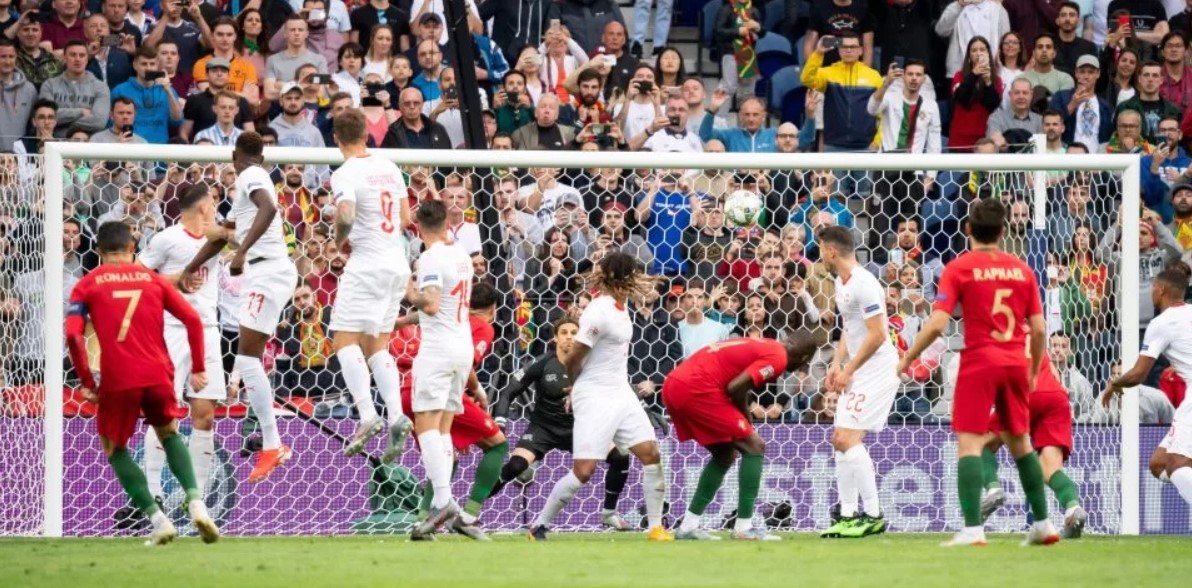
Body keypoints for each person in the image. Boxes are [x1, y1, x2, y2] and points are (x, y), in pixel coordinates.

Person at [899, 198, 1059, 547]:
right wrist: (1032, 369)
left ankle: (973, 530)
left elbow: (939, 322)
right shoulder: (1022, 269)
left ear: (968, 229)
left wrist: (908, 356)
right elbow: (1041, 328)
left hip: (980, 361)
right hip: (1016, 362)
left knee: (970, 444)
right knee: (1021, 443)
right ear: (1003, 231)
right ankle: (1044, 524)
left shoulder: (960, 267)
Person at [65, 221, 219, 545]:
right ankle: (196, 502)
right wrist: (199, 367)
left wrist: (87, 381)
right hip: (158, 373)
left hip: (119, 377)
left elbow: (73, 335)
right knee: (168, 433)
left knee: (114, 447)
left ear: (98, 252)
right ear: (132, 248)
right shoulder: (153, 280)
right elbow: (192, 319)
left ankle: (158, 518)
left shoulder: (87, 284)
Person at [527, 251, 672, 542]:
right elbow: (574, 355)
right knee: (584, 470)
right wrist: (575, 388)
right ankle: (540, 525)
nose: (637, 280)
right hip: (594, 395)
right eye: (633, 275)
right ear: (624, 278)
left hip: (620, 392)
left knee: (651, 454)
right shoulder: (599, 310)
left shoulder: (621, 307)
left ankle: (656, 528)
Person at [180, 131, 298, 483]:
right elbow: (221, 237)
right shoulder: (243, 197)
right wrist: (192, 267)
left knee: (246, 358)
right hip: (265, 271)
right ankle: (271, 442)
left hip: (268, 269)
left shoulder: (252, 175)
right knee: (248, 358)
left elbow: (270, 207)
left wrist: (243, 251)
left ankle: (273, 443)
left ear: (236, 155)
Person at [326, 109, 415, 461]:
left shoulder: (345, 173)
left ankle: (366, 414)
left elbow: (346, 214)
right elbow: (406, 218)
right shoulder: (389, 167)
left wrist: (339, 239)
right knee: (378, 345)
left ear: (336, 139)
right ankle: (396, 414)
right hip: (397, 264)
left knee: (343, 340)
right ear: (367, 133)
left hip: (367, 263)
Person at [667, 333, 818, 541]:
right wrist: (746, 418)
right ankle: (743, 528)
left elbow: (739, 384)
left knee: (724, 455)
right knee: (755, 447)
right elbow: (736, 388)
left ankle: (688, 527)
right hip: (697, 388)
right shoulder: (778, 357)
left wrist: (744, 418)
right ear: (804, 358)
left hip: (675, 384)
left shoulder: (767, 344)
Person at [489, 317, 634, 531]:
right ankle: (469, 512)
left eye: (574, 332)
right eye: (564, 332)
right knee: (515, 466)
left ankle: (609, 514)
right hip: (543, 428)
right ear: (555, 338)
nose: (569, 337)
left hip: (581, 428)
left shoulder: (592, 365)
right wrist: (500, 421)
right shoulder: (541, 363)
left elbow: (615, 391)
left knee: (621, 458)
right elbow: (509, 392)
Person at [136, 183, 228, 513]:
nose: (217, 207)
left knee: (205, 415)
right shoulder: (166, 239)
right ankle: (152, 490)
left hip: (208, 330)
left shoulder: (216, 236)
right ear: (203, 207)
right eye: (214, 202)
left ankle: (197, 498)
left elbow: (237, 237)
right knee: (165, 413)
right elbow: (137, 276)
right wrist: (178, 278)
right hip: (171, 331)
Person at [813, 226, 899, 539]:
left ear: (832, 250)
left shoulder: (865, 284)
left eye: (821, 248)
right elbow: (850, 330)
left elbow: (878, 335)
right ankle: (848, 515)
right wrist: (837, 365)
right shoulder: (840, 282)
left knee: (848, 439)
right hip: (858, 367)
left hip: (877, 369)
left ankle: (874, 515)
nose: (819, 254)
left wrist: (850, 370)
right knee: (839, 440)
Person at [406, 199, 476, 535]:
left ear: (418, 223)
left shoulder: (430, 257)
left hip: (437, 350)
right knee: (444, 427)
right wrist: (402, 320)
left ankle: (443, 502)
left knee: (426, 425)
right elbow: (446, 302)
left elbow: (431, 303)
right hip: (462, 346)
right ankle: (448, 505)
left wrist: (409, 291)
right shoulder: (460, 253)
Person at [1103, 269, 1192, 510]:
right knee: (1158, 464)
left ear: (1161, 289)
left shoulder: (1162, 323)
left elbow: (1139, 374)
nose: (1151, 291)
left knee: (1175, 464)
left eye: (1153, 286)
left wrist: (1114, 383)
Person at [981, 353, 1088, 539]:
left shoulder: (997, 333)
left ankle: (993, 489)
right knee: (1050, 470)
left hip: (1023, 394)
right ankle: (1073, 508)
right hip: (1055, 397)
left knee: (978, 443)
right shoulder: (1031, 332)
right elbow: (1055, 373)